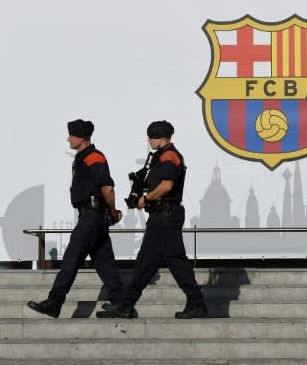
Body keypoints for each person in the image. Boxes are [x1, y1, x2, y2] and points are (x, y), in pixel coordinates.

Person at [97, 120, 207, 319]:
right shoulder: (160, 156)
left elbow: (167, 186)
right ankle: (126, 305)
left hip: (167, 215)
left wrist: (145, 198)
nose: (149, 140)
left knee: (176, 261)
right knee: (145, 263)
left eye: (152, 137)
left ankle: (197, 303)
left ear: (163, 138)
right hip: (160, 216)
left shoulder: (169, 156)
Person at [27, 119, 125, 318]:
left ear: (82, 138)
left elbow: (107, 187)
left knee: (72, 257)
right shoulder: (84, 157)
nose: (68, 138)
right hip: (93, 216)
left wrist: (113, 212)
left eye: (71, 135)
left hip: (92, 216)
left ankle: (54, 302)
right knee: (104, 262)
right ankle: (122, 304)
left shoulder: (93, 158)